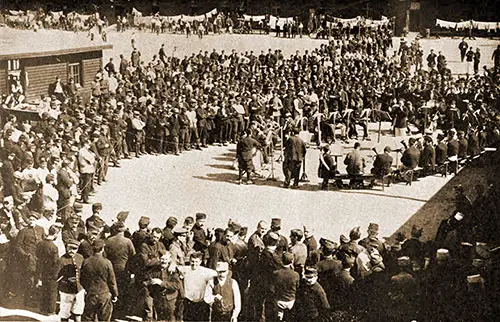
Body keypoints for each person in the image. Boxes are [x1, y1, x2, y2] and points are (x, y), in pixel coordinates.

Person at [80, 239, 118, 322]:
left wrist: (88, 288)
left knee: (88, 318)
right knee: (104, 319)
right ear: (102, 249)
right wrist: (115, 294)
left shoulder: (86, 262)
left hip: (91, 294)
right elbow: (112, 281)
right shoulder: (107, 262)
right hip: (104, 294)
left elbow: (82, 279)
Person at [179, 252, 217, 321]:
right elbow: (175, 267)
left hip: (201, 304)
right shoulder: (185, 269)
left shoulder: (205, 271)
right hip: (188, 303)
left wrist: (211, 284)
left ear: (200, 262)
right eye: (192, 261)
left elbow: (217, 273)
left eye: (196, 262)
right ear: (189, 261)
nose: (194, 264)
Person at [147, 251, 183, 321]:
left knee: (171, 319)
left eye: (166, 259)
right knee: (160, 319)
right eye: (162, 259)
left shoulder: (173, 270)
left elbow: (177, 285)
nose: (164, 261)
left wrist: (161, 283)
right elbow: (148, 280)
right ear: (159, 259)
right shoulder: (154, 270)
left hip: (170, 300)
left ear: (169, 260)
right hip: (159, 299)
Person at [35, 224, 61, 315]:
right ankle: (50, 310)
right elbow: (56, 262)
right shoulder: (54, 247)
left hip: (42, 270)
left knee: (44, 290)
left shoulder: (40, 243)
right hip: (51, 271)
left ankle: (42, 308)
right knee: (52, 291)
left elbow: (37, 256)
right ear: (55, 234)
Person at [58, 239, 85, 322]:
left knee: (78, 312)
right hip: (66, 290)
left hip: (79, 289)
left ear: (77, 249)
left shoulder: (80, 258)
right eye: (69, 248)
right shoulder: (61, 260)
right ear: (66, 247)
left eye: (74, 249)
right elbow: (57, 276)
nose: (71, 251)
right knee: (64, 313)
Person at [267, 252, 300, 321]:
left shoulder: (276, 273)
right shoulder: (295, 275)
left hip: (279, 301)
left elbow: (272, 288)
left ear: (282, 261)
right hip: (291, 301)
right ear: (292, 261)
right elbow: (297, 287)